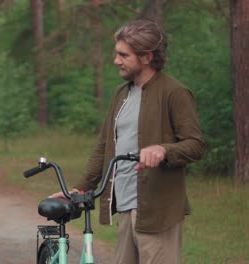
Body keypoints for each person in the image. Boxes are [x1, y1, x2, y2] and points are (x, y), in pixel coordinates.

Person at [50, 19, 205, 264]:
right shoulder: (121, 94)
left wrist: (163, 150)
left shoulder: (174, 93)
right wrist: (80, 188)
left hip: (158, 211)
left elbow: (195, 145)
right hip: (124, 206)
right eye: (117, 53)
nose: (116, 60)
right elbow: (104, 147)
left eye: (124, 55)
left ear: (146, 57)